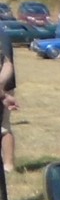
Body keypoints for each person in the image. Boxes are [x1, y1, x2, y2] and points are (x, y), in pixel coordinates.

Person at [0, 23, 17, 174]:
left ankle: (8, 165)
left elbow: (7, 64)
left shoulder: (1, 33)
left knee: (4, 127)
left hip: (4, 87)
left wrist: (2, 90)